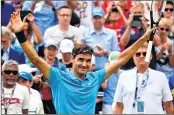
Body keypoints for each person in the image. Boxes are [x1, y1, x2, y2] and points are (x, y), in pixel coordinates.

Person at [10, 10, 154, 114]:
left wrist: (145, 38)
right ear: (72, 59)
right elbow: (35, 58)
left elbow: (122, 58)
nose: (84, 64)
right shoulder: (58, 77)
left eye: (87, 61)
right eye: (80, 60)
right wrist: (19, 34)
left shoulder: (95, 77)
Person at [113, 42, 173, 114]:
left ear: (150, 56)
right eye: (138, 54)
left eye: (145, 54)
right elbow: (118, 106)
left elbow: (168, 105)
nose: (141, 56)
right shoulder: (124, 76)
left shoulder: (161, 77)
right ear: (133, 57)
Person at [83, 7, 120, 71]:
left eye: (99, 18)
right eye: (95, 18)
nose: (97, 20)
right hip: (89, 71)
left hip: (107, 71)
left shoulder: (112, 34)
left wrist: (105, 51)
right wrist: (91, 52)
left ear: (104, 19)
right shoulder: (85, 33)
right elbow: (81, 52)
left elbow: (117, 55)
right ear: (91, 19)